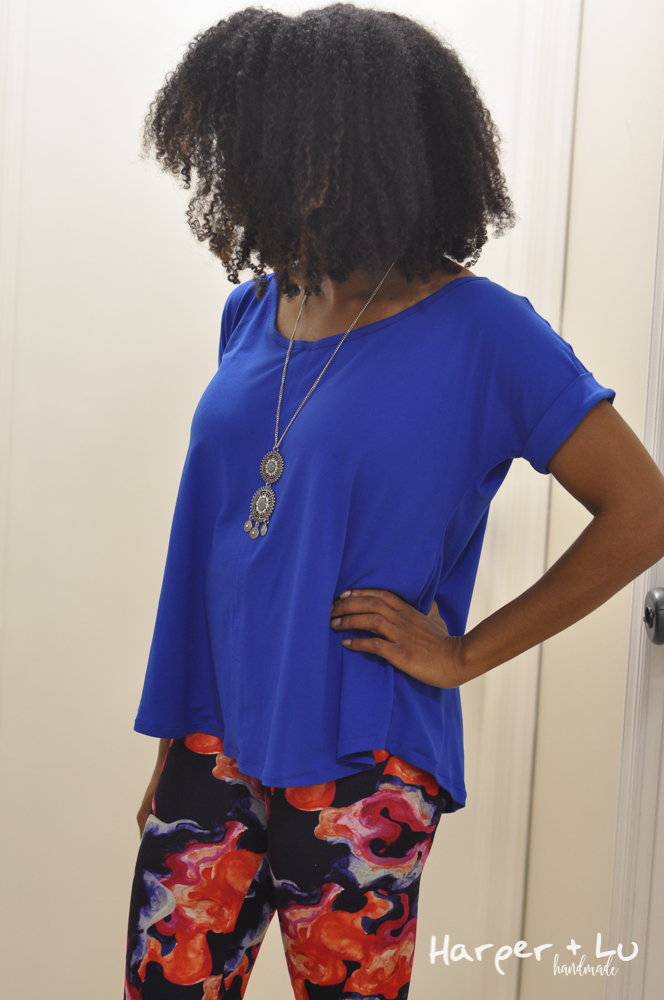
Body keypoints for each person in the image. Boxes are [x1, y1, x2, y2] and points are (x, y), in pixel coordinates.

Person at [123, 5, 664, 999]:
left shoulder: (487, 333)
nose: (255, 167)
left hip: (359, 755)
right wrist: (175, 743)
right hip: (212, 740)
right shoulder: (253, 309)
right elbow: (230, 542)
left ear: (373, 148)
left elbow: (644, 510)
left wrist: (462, 654)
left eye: (282, 141)